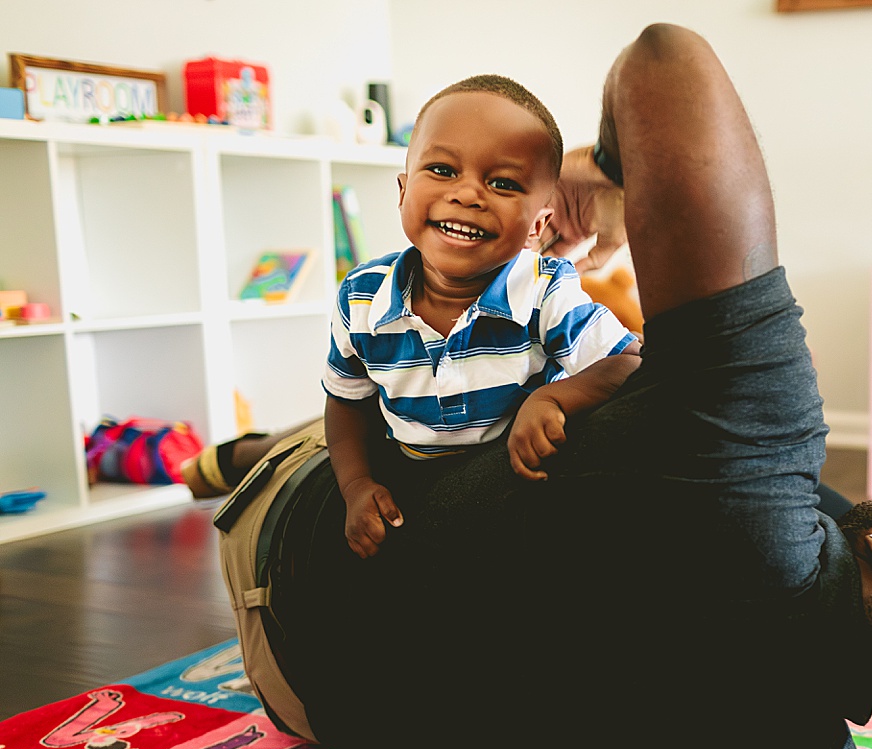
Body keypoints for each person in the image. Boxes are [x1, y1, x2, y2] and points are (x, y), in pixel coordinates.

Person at [219, 23, 872, 749]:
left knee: (458, 397)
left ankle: (244, 456)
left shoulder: (745, 438)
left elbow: (667, 62)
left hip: (291, 554)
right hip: (323, 706)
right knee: (550, 415)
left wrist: (601, 175)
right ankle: (248, 451)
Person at [190, 74, 641, 560]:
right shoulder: (362, 297)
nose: (469, 194)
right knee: (309, 447)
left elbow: (630, 361)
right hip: (399, 451)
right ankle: (237, 457)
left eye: (503, 183)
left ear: (538, 223)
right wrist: (357, 485)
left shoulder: (545, 287)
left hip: (495, 476)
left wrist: (554, 397)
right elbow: (347, 404)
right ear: (402, 190)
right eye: (443, 170)